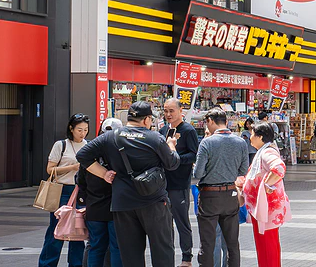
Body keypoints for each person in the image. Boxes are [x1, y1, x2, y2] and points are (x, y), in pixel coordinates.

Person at [77, 101, 181, 267]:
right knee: (162, 250)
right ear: (147, 120)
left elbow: (82, 155)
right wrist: (171, 146)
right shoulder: (155, 138)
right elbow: (172, 164)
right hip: (153, 202)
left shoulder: (110, 136)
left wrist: (104, 173)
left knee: (130, 253)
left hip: (122, 203)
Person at [193, 107, 249, 267]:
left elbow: (198, 172)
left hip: (209, 196)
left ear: (210, 121)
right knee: (232, 243)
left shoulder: (207, 142)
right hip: (231, 194)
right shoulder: (240, 142)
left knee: (208, 243)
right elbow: (243, 170)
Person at [38, 114, 89, 267]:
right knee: (56, 230)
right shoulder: (61, 145)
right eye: (79, 129)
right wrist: (72, 168)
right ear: (71, 129)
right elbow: (50, 169)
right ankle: (47, 263)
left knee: (78, 230)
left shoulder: (88, 145)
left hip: (80, 191)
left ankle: (76, 264)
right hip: (62, 190)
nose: (83, 133)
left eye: (86, 130)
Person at [243, 122, 292, 267]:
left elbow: (279, 168)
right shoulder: (264, 151)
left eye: (252, 134)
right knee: (265, 245)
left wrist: (267, 184)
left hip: (267, 207)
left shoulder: (266, 152)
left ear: (261, 137)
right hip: (264, 207)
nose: (250, 137)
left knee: (267, 245)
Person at [159, 99, 200, 267]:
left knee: (182, 222)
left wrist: (175, 160)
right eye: (166, 111)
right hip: (162, 185)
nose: (168, 114)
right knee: (164, 224)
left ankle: (186, 258)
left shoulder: (188, 130)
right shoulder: (162, 130)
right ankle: (167, 257)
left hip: (179, 184)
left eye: (171, 111)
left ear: (180, 110)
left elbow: (193, 155)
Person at [77, 118, 122, 267]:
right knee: (117, 248)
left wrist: (85, 201)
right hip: (116, 209)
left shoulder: (89, 155)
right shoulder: (121, 153)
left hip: (94, 208)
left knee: (96, 247)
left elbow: (80, 181)